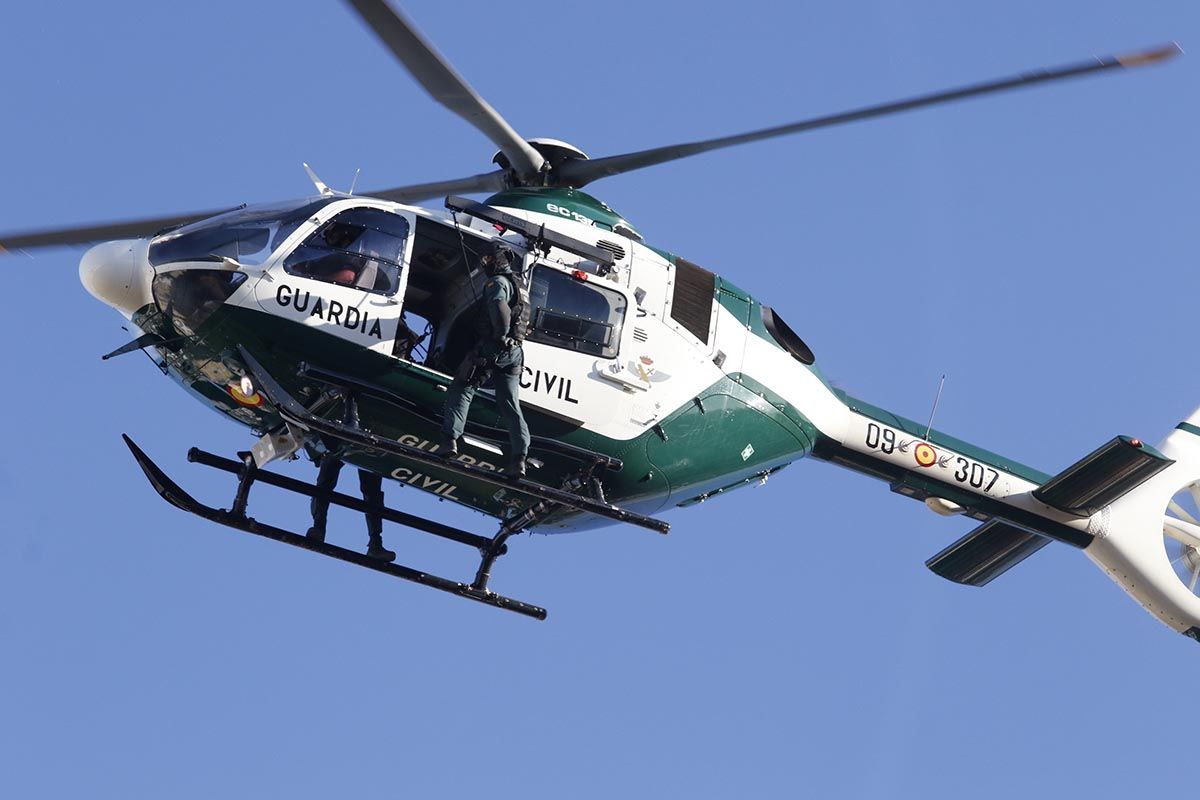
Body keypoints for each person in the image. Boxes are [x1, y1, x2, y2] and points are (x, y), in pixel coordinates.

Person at [440, 241, 530, 479]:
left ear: (497, 261)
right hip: (515, 353)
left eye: (488, 260)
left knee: (463, 386)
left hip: (494, 348)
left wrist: (499, 335)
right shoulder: (521, 285)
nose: (485, 265)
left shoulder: (497, 283)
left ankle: (450, 441)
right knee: (510, 404)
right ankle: (519, 458)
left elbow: (500, 308)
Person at [306, 451, 395, 562]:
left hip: (364, 444)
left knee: (372, 491)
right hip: (348, 441)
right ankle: (318, 528)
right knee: (327, 477)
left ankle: (375, 544)